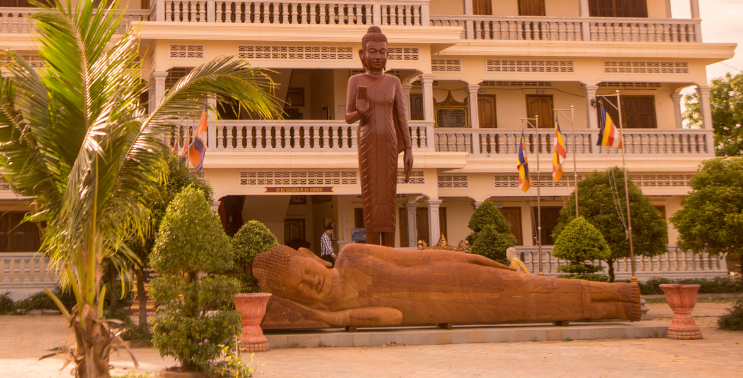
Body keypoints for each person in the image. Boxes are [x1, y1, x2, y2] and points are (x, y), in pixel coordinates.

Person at [253, 243, 641, 328]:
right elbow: (394, 316)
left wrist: (474, 259)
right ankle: (614, 306)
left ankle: (619, 295)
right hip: (455, 308)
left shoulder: (352, 255)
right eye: (300, 288)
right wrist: (337, 318)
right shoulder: (338, 311)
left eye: (305, 270)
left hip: (452, 277)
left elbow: (417, 258)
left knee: (536, 288)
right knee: (533, 303)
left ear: (310, 255)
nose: (311, 281)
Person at [344, 26, 412, 247]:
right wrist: (360, 112)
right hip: (368, 141)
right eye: (372, 51)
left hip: (390, 143)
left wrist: (408, 149)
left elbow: (401, 116)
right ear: (362, 55)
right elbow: (348, 117)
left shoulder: (394, 82)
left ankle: (390, 252)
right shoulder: (355, 81)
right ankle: (373, 252)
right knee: (372, 195)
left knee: (389, 197)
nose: (378, 56)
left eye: (382, 51)